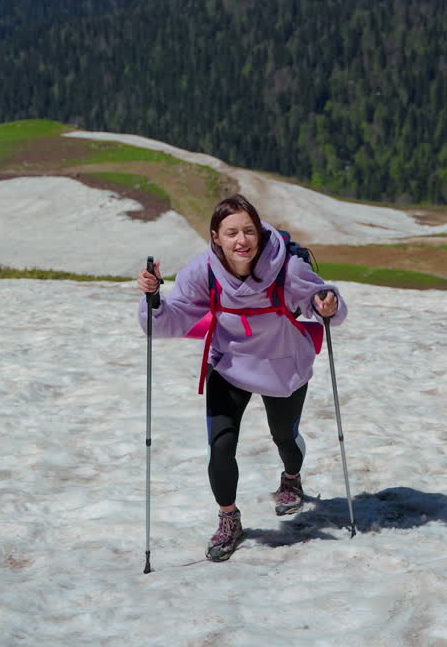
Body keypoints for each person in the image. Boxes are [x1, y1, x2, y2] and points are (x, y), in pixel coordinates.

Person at [136, 193, 347, 561]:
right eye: (231, 232)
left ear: (260, 234)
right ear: (216, 236)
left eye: (249, 231)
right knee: (220, 447)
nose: (242, 240)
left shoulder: (288, 270)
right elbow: (172, 320)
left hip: (282, 366)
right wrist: (154, 300)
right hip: (229, 366)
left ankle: (291, 480)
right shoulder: (203, 272)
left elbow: (324, 305)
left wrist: (326, 305)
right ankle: (229, 519)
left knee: (283, 435)